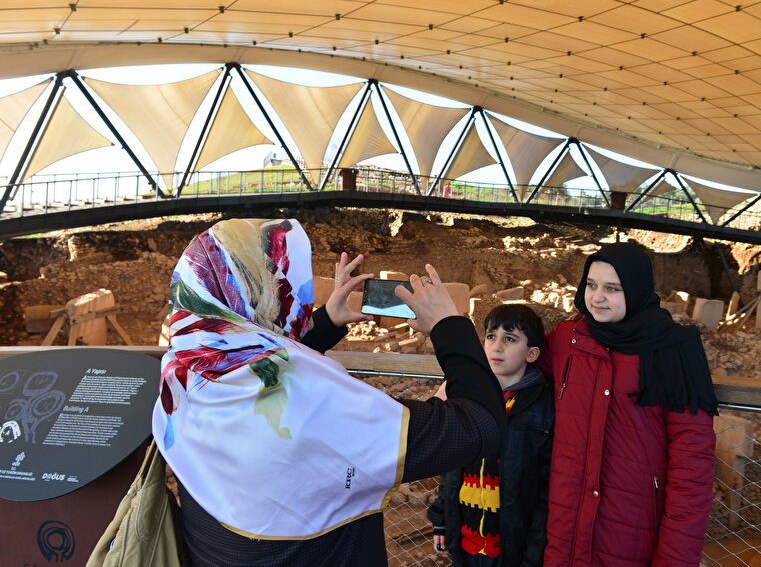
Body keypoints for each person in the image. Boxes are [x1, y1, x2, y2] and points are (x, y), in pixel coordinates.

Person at [151, 217, 507, 566]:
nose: (295, 298)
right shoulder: (315, 404)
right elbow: (481, 424)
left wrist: (325, 323)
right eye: (282, 287)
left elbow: (264, 370)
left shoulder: (183, 374)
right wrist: (450, 325)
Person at [537, 242, 717, 566]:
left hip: (632, 533)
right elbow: (512, 367)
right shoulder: (568, 339)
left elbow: (693, 467)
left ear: (636, 289)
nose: (597, 297)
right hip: (565, 528)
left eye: (612, 288)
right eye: (591, 285)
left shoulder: (672, 351)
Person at [428, 304, 554, 566]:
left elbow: (545, 489)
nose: (497, 347)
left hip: (511, 548)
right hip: (465, 544)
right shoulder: (468, 397)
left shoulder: (543, 406)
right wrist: (441, 521)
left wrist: (535, 553)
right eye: (491, 336)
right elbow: (451, 466)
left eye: (510, 339)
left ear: (532, 353)